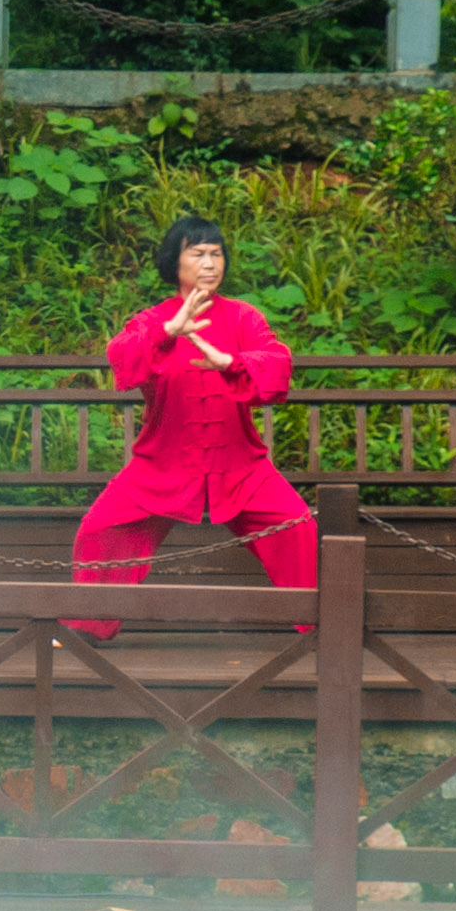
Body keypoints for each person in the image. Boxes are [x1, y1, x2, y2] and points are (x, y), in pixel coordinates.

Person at [66, 215, 317, 641]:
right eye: (197, 253)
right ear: (174, 262)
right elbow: (121, 356)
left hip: (240, 464)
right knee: (100, 528)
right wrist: (168, 332)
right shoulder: (153, 318)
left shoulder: (243, 318)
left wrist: (233, 363)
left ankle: (323, 626)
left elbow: (277, 363)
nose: (209, 263)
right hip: (161, 463)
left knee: (299, 528)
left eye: (216, 254)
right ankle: (86, 626)